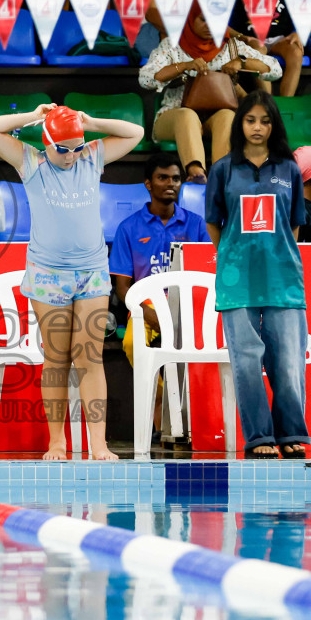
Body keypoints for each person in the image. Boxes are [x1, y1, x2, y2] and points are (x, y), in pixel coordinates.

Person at [0, 103, 146, 461]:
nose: (71, 156)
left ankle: (98, 444)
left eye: (77, 146)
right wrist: (31, 117)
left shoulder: (91, 156)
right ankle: (57, 442)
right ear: (47, 140)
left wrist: (91, 121)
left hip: (91, 273)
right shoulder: (32, 162)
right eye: (63, 148)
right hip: (48, 275)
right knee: (57, 360)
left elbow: (137, 133)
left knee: (90, 358)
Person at [204, 90, 311, 458]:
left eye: (265, 121)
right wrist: (233, 256)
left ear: (274, 125)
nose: (258, 127)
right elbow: (214, 224)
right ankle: (260, 438)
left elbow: (294, 227)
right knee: (246, 362)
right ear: (240, 123)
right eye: (250, 120)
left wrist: (273, 254)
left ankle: (292, 435)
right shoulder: (223, 169)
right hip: (236, 281)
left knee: (288, 361)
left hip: (284, 278)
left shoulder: (289, 169)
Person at [110, 151, 211, 446]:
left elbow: (207, 274)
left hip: (188, 307)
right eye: (162, 178)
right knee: (132, 343)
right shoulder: (128, 228)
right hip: (147, 308)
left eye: (176, 178)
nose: (171, 184)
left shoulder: (196, 225)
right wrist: (151, 315)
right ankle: (161, 415)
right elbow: (123, 288)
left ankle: (188, 419)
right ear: (148, 184)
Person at [141, 1, 281, 182]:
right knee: (187, 115)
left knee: (226, 116)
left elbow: (275, 70)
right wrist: (183, 66)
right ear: (190, 20)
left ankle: (221, 176)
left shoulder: (232, 46)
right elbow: (145, 79)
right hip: (173, 117)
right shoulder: (171, 46)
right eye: (203, 20)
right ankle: (196, 173)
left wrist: (241, 62)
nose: (210, 25)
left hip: (213, 119)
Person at [229, 0, 311, 100]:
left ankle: (286, 104)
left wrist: (299, 32)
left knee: (296, 51)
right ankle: (268, 103)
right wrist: (242, 37)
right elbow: (219, 24)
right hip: (251, 39)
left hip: (280, 40)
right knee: (257, 49)